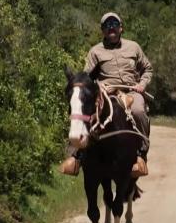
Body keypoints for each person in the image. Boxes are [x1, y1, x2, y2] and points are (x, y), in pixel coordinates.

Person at [63, 11, 153, 177]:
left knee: (139, 111)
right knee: (86, 112)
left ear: (121, 28)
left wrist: (142, 84)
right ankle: (76, 156)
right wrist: (96, 87)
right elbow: (86, 77)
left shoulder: (133, 47)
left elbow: (147, 68)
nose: (111, 28)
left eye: (114, 24)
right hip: (106, 91)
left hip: (131, 91)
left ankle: (141, 156)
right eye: (107, 25)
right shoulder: (95, 51)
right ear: (102, 30)